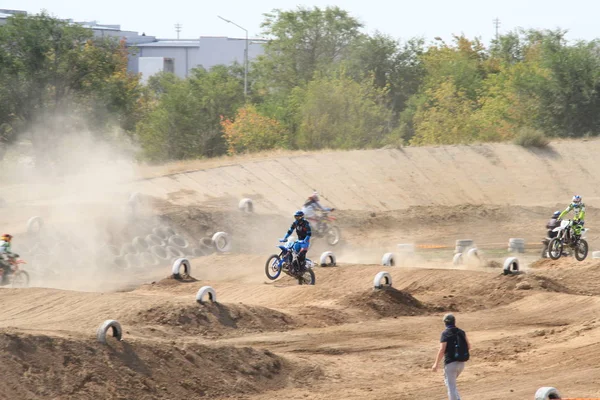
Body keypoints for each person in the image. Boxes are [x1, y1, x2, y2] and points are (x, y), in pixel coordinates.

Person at [432, 313, 471, 400]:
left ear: (445, 323)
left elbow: (442, 350)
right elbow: (469, 346)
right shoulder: (461, 332)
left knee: (451, 386)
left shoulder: (445, 333)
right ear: (454, 321)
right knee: (451, 384)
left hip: (450, 364)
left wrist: (436, 364)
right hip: (461, 364)